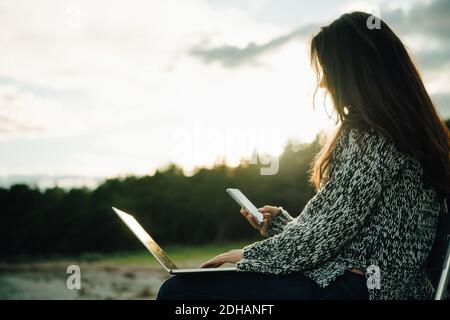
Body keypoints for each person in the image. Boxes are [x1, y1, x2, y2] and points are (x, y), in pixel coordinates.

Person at [157, 11, 449, 300]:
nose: (324, 84)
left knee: (181, 293)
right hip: (369, 286)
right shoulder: (408, 133)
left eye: (328, 71)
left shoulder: (375, 137)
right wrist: (282, 225)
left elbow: (331, 231)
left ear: (354, 73)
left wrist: (248, 255)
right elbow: (344, 229)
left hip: (358, 290)